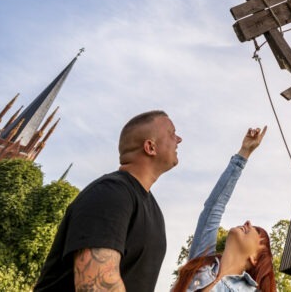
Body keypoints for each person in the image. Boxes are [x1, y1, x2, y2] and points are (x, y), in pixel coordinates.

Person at [34, 110, 182, 291]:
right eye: (172, 133)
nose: (179, 139)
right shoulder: (111, 193)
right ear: (150, 147)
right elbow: (95, 285)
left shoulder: (153, 210)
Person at [171, 126, 275, 292]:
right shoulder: (201, 263)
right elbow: (214, 207)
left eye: (257, 231)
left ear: (254, 258)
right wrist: (244, 152)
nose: (248, 222)